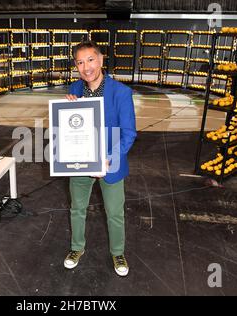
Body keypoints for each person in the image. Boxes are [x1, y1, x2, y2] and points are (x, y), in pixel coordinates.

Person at [63, 41, 137, 277]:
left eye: (90, 60)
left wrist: (109, 159)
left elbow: (129, 133)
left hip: (110, 164)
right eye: (80, 62)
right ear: (76, 66)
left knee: (114, 212)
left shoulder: (121, 93)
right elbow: (67, 127)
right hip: (80, 163)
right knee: (77, 208)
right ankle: (77, 248)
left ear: (101, 60)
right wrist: (65, 111)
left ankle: (118, 252)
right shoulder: (74, 89)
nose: (86, 67)